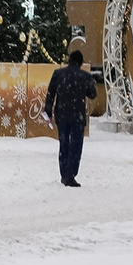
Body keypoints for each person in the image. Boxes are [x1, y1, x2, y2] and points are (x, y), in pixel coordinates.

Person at [46, 49, 96, 187]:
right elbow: (92, 94)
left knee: (64, 144)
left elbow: (50, 94)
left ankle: (64, 174)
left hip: (61, 115)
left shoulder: (58, 74)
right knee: (76, 145)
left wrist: (48, 112)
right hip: (77, 116)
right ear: (80, 63)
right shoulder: (85, 76)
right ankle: (71, 174)